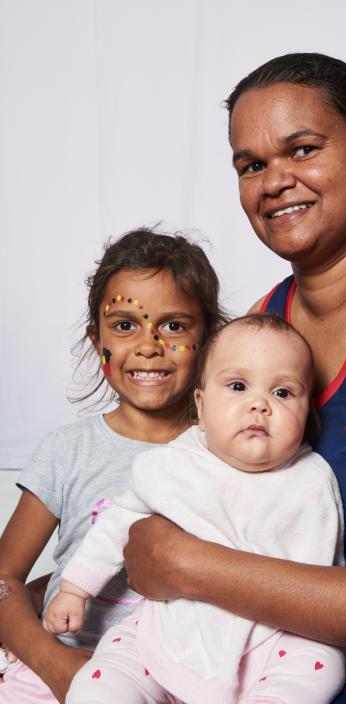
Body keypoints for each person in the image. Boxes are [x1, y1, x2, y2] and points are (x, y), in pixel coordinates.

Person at [119, 54, 346, 702]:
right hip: (263, 669)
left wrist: (189, 565)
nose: (274, 181)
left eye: (301, 149)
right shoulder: (262, 326)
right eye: (251, 165)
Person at [44, 313, 346, 704]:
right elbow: (116, 524)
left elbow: (324, 579)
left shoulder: (311, 481)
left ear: (308, 414)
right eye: (238, 386)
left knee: (320, 664)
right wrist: (74, 589)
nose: (260, 405)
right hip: (172, 627)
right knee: (110, 667)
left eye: (283, 393)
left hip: (278, 638)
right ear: (201, 407)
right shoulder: (173, 466)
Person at [0, 226, 226, 703]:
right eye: (124, 325)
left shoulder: (226, 455)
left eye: (173, 325)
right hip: (57, 673)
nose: (148, 345)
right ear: (95, 338)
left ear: (207, 338)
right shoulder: (67, 451)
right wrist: (54, 664)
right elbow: (4, 578)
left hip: (174, 682)